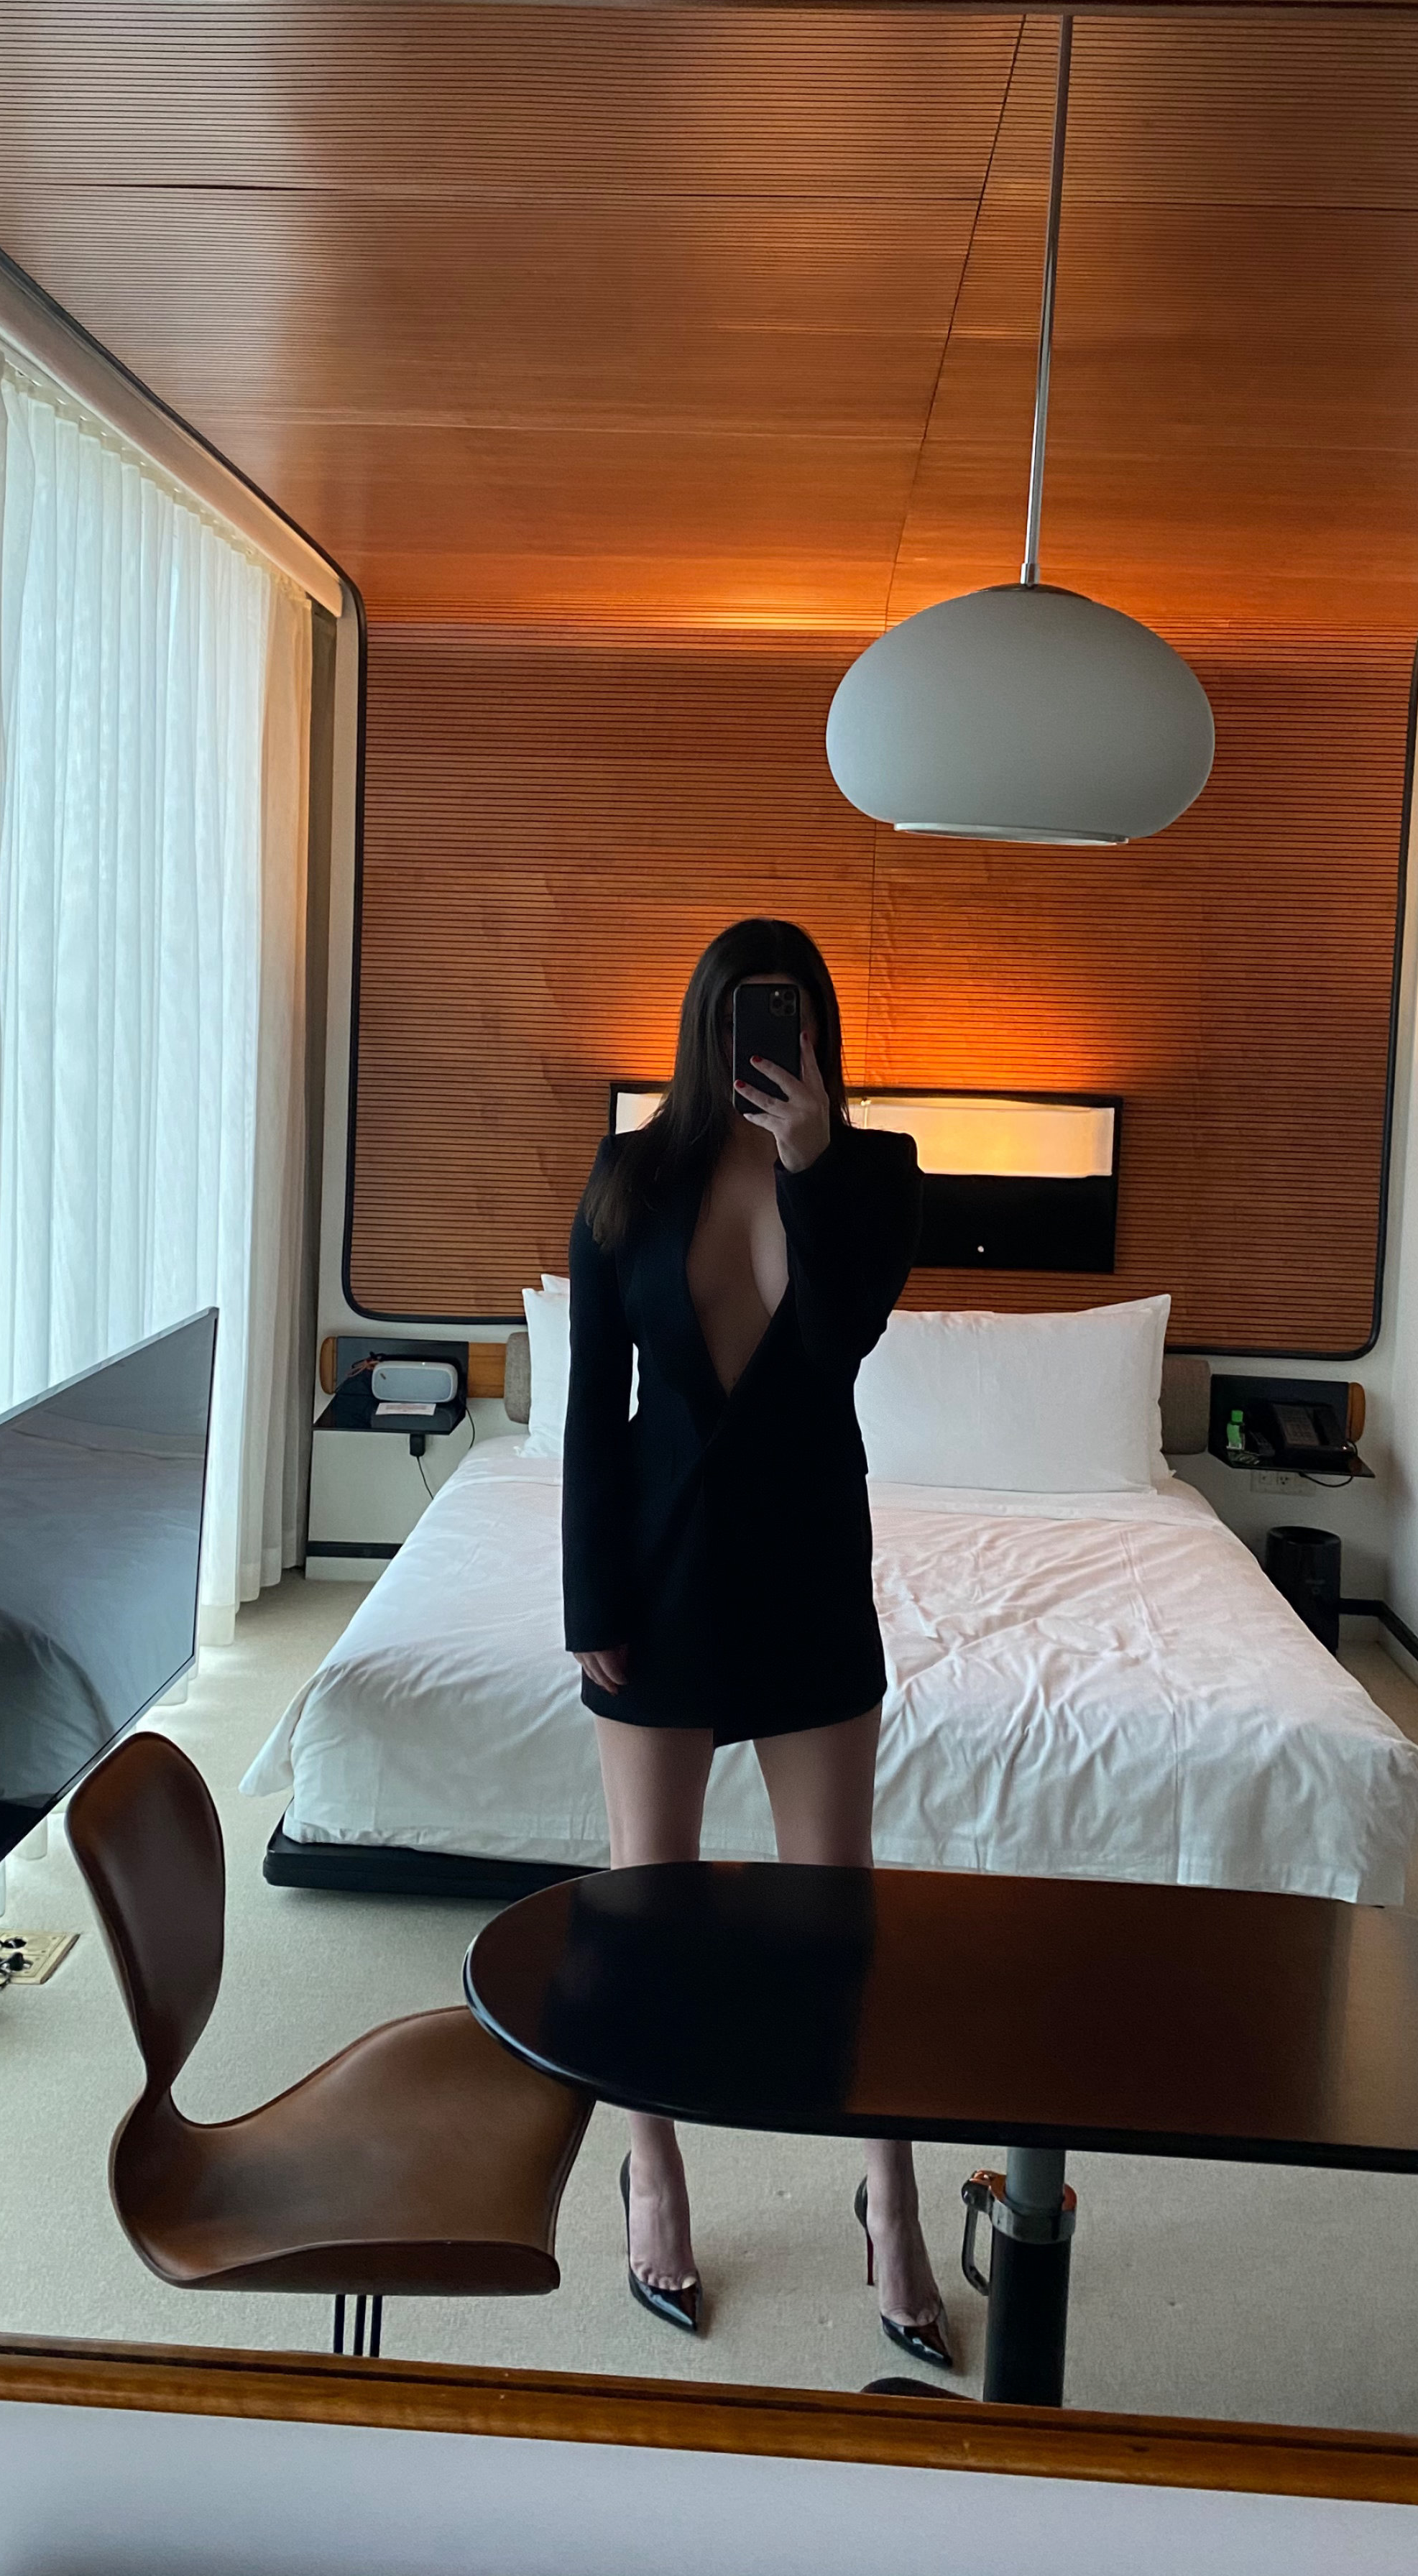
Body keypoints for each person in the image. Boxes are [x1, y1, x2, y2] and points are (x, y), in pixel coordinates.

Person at [561, 916, 951, 2368]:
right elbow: (596, 1403)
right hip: (655, 1582)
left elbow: (841, 1341)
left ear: (814, 1031)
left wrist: (810, 1165)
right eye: (738, 1019)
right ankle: (653, 2174)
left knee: (839, 1912)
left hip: (803, 1580)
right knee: (645, 1906)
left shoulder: (878, 1175)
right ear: (703, 1029)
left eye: (780, 1020)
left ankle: (888, 2200)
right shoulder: (626, 1176)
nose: (759, 1044)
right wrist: (585, 1602)